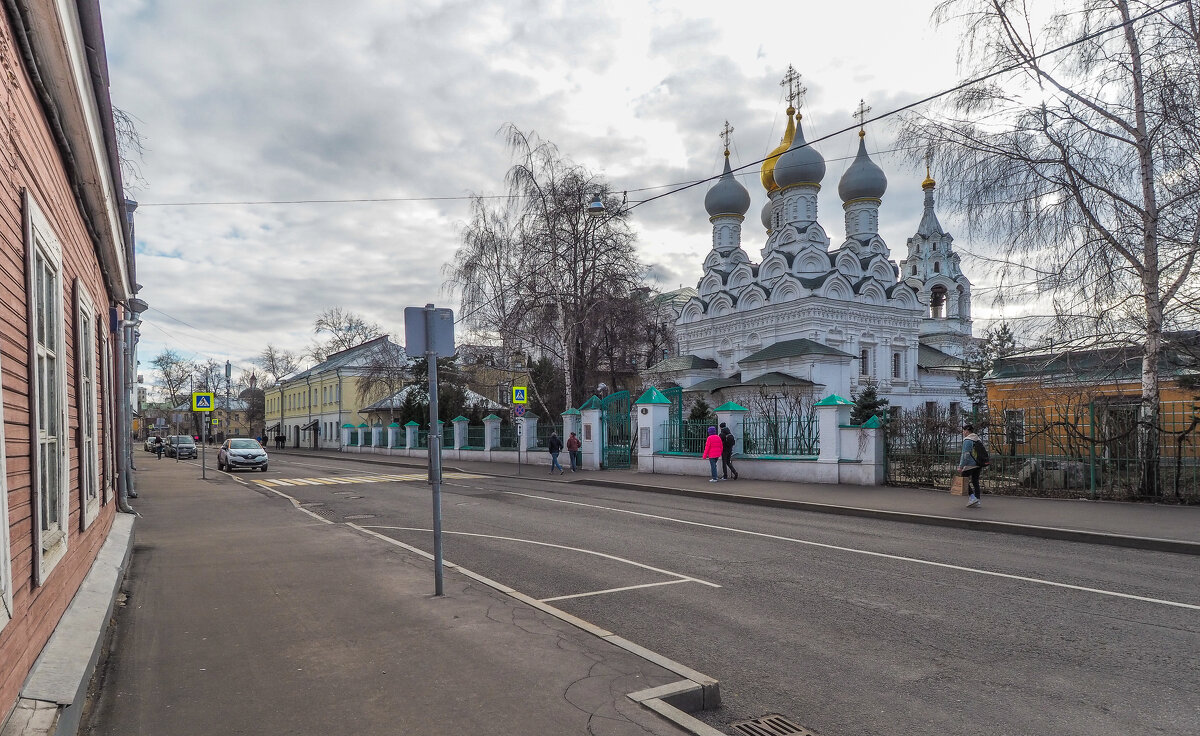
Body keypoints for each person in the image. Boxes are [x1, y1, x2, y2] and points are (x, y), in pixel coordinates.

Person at [956, 423, 987, 507]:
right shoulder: (977, 439)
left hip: (970, 464)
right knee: (975, 481)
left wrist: (961, 466)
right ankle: (978, 500)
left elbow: (965, 455)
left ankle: (973, 498)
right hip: (978, 463)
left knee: (963, 480)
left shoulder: (968, 440)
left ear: (967, 431)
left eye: (963, 431)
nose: (963, 432)